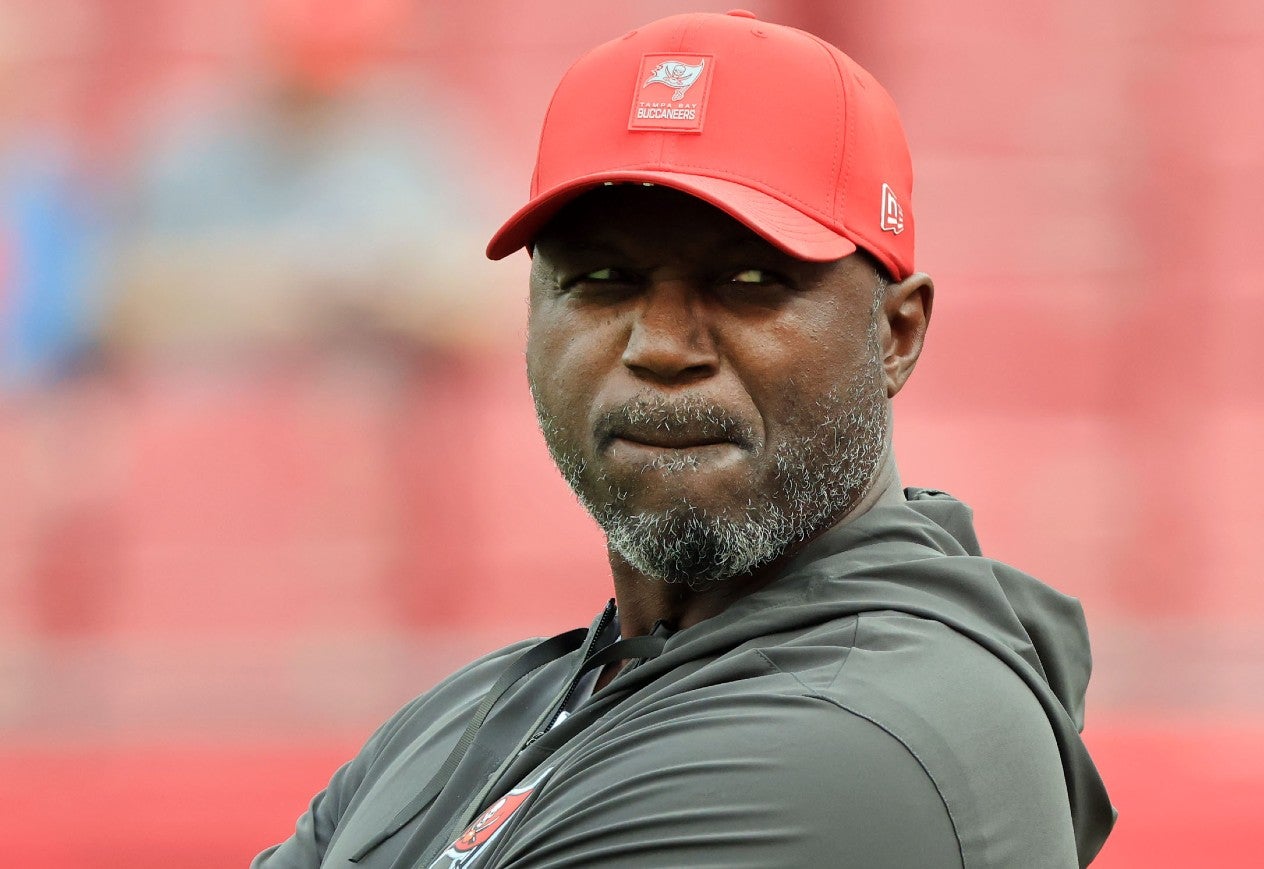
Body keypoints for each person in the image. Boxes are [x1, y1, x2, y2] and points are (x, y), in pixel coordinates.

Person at [254, 11, 1116, 868]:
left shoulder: (848, 739)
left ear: (895, 332)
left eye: (747, 279)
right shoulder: (473, 714)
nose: (660, 346)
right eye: (601, 280)